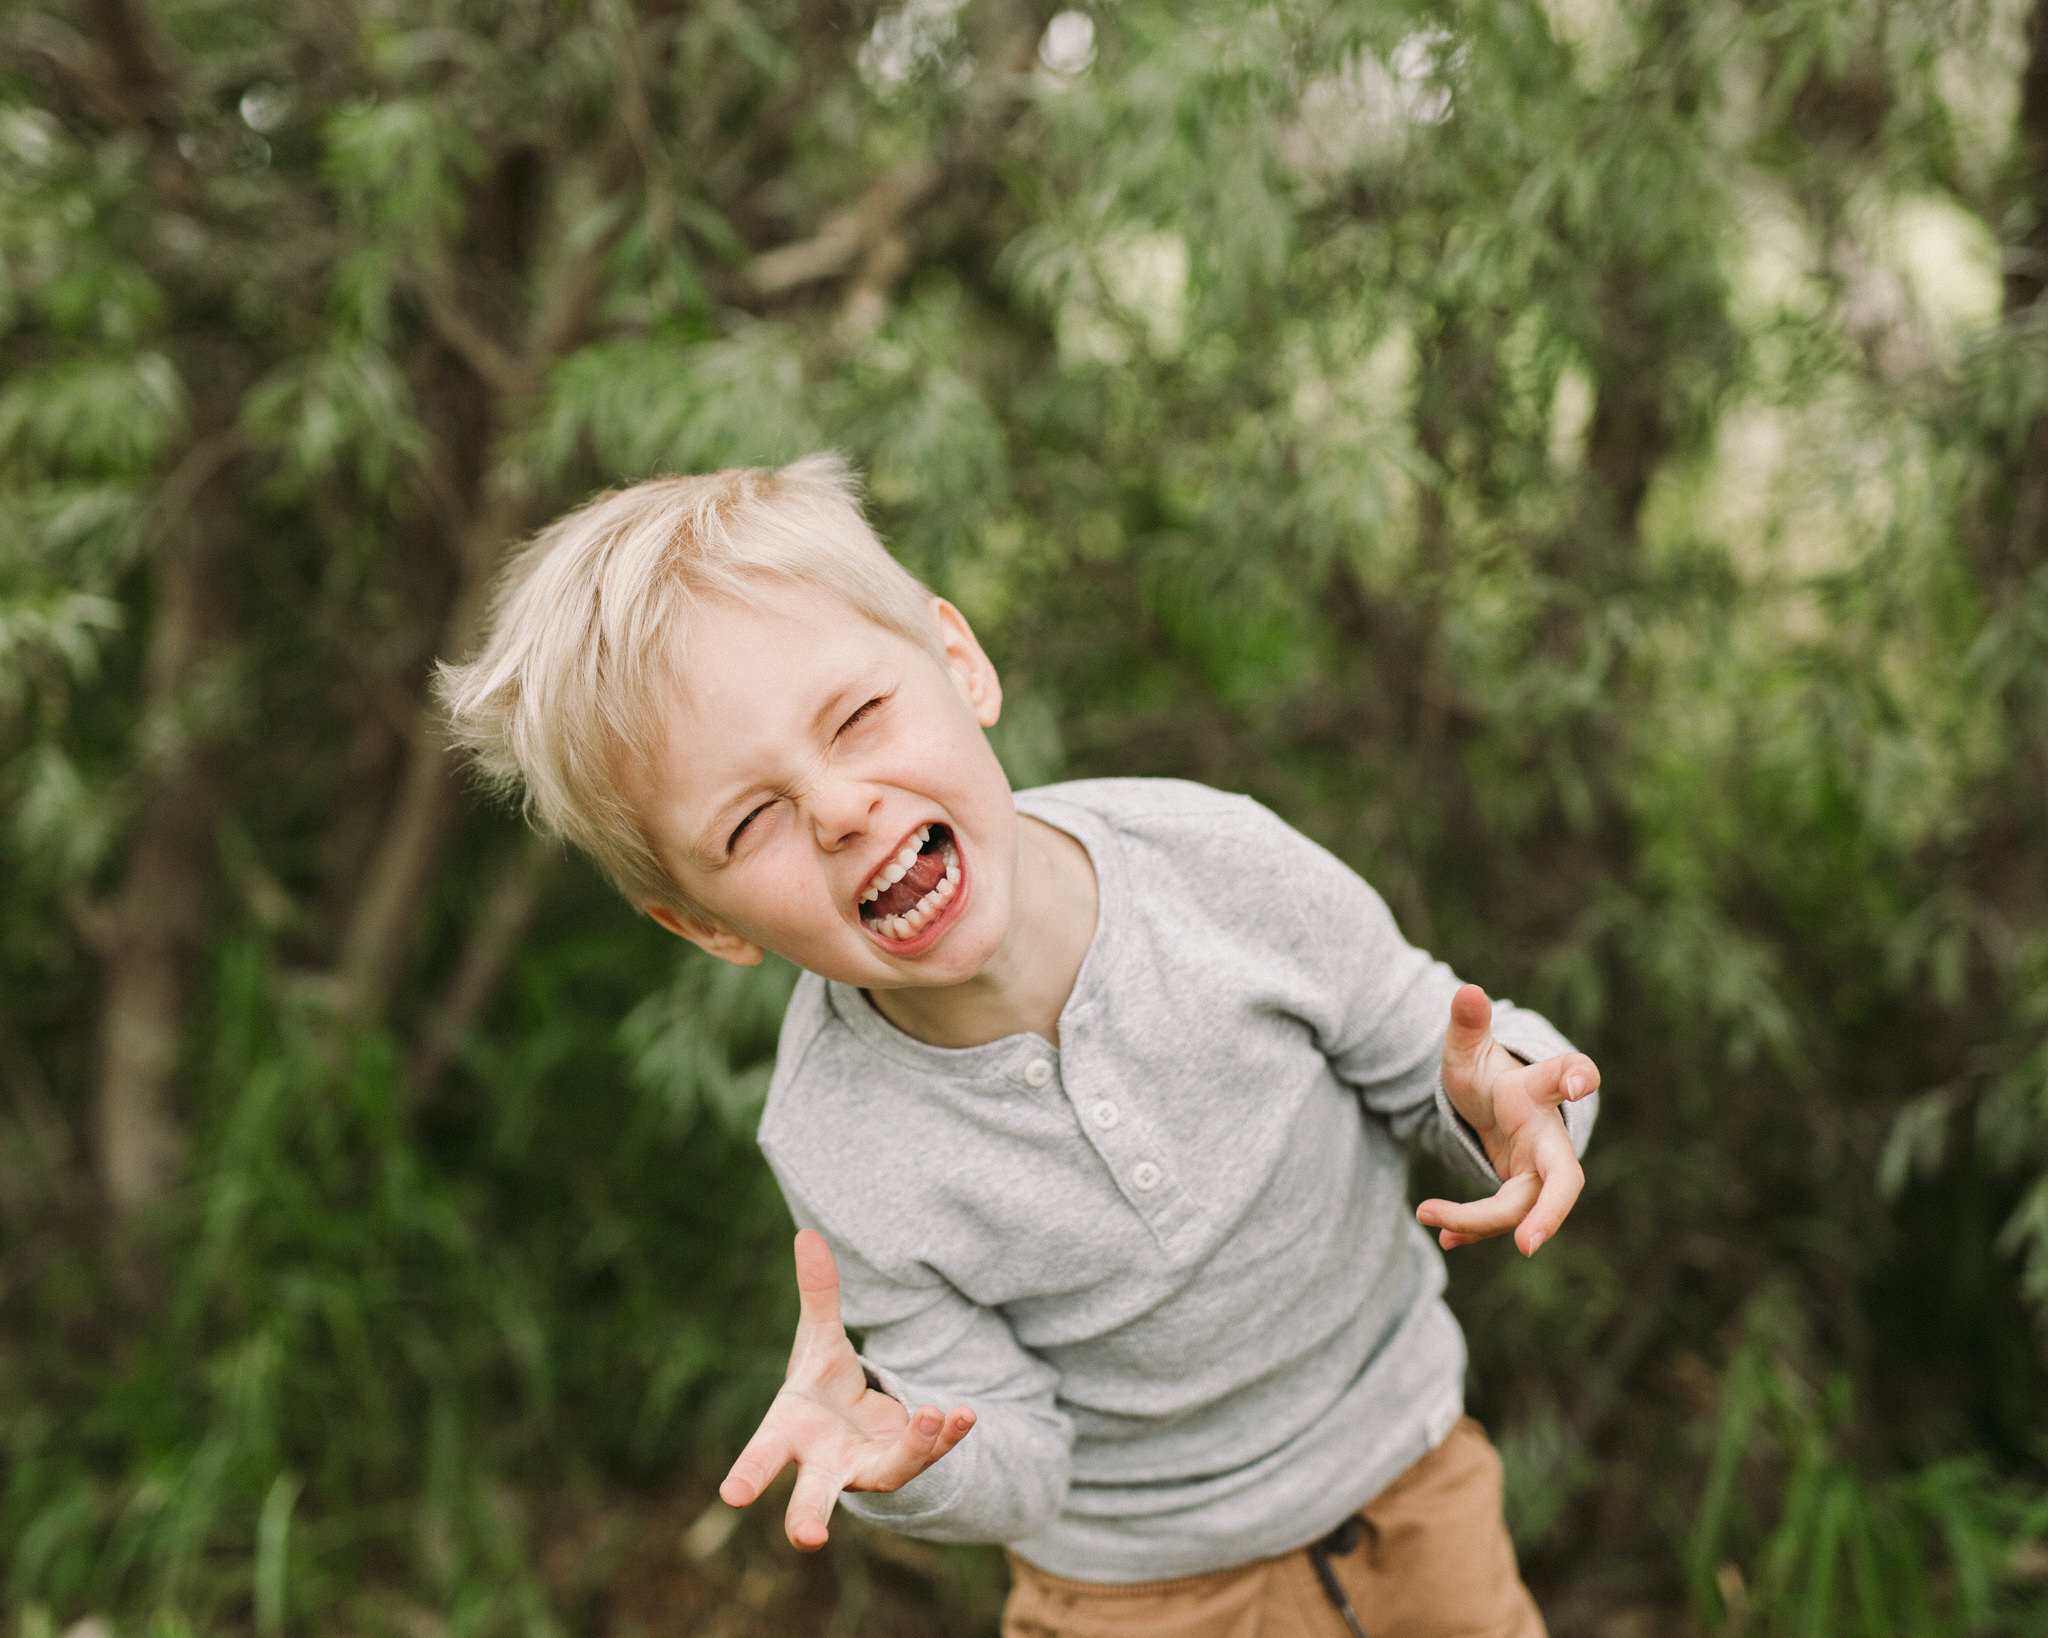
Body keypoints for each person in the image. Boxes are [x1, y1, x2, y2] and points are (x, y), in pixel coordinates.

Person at [441, 454, 1602, 1637]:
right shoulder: (838, 1137)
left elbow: (1433, 1050)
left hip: (1413, 1476)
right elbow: (1019, 1455)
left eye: (855, 718)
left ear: (959, 664)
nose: (839, 810)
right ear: (701, 923)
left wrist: (1507, 1096)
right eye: (749, 821)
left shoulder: (1218, 863)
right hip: (1133, 1594)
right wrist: (910, 1444)